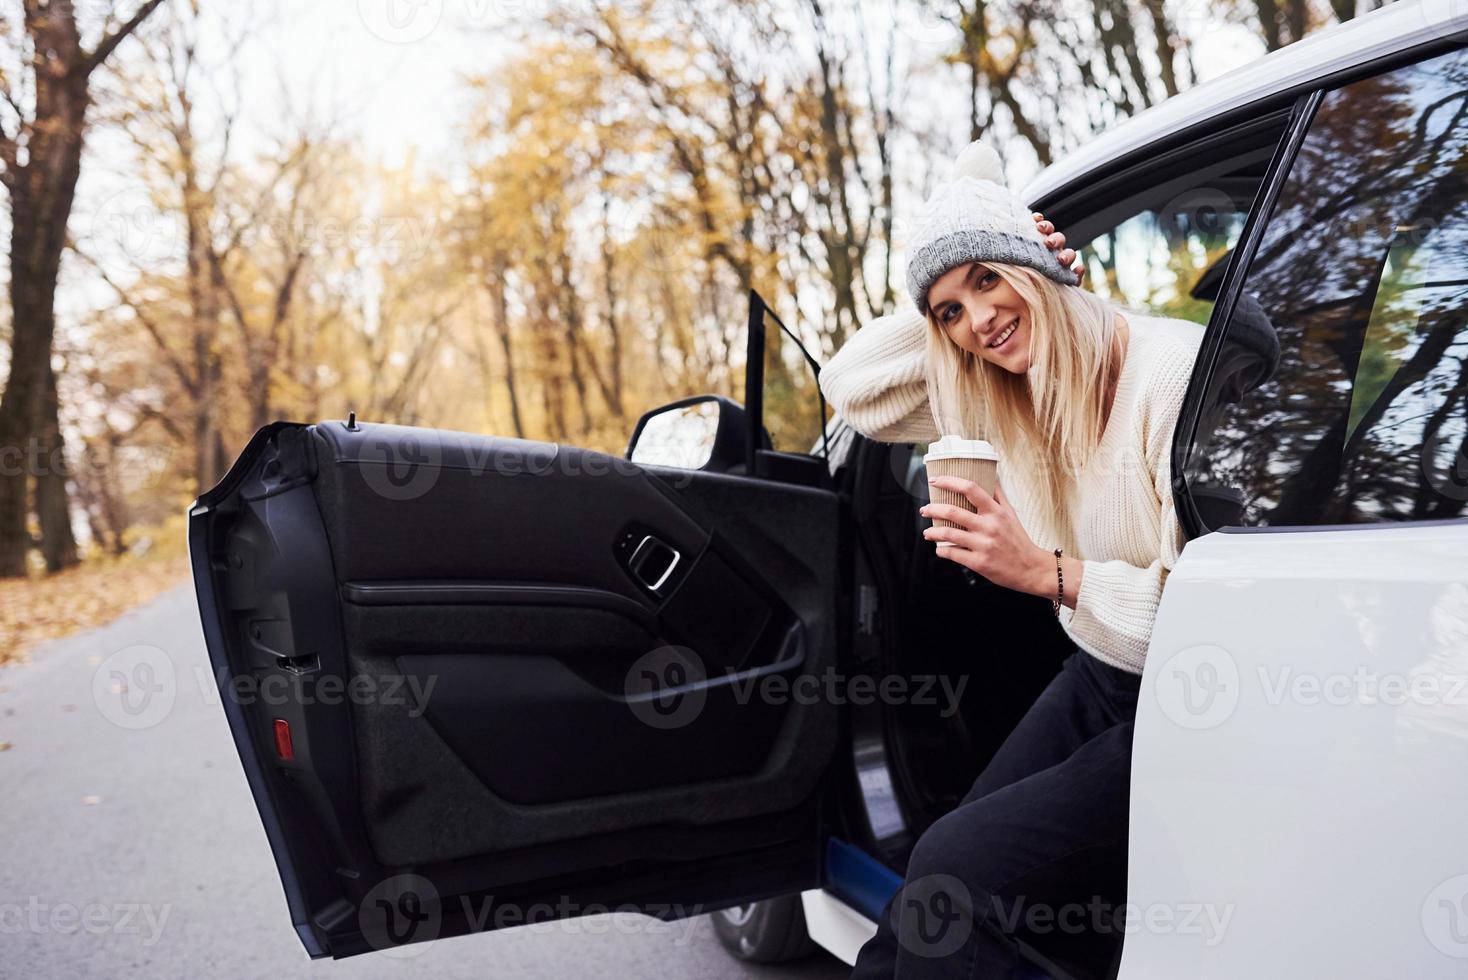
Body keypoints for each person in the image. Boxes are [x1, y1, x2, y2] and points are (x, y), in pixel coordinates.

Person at [817, 139, 1207, 979]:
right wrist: (969, 242)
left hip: (1186, 702)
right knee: (930, 874)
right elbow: (852, 385)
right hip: (1100, 672)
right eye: (949, 312)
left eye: (989, 280)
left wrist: (1045, 573)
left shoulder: (1167, 373)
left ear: (1037, 262)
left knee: (957, 877)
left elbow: (1211, 623)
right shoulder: (1004, 390)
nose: (979, 322)